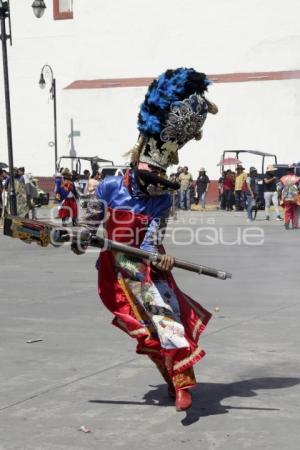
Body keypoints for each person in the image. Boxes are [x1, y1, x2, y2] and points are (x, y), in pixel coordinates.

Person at [73, 67, 218, 412]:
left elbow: (152, 240)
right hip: (115, 267)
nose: (153, 189)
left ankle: (184, 385)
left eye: (158, 185)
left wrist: (157, 259)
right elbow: (89, 226)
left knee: (168, 320)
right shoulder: (110, 186)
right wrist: (81, 237)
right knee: (147, 331)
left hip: (146, 265)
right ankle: (170, 379)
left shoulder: (161, 199)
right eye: (148, 183)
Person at [277, 165, 300, 229]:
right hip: (295, 197)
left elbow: (279, 188)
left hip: (285, 197)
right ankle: (295, 225)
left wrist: (279, 196)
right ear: (293, 170)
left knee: (287, 210)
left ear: (287, 171)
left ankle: (287, 222)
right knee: (295, 210)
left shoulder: (283, 178)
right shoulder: (297, 178)